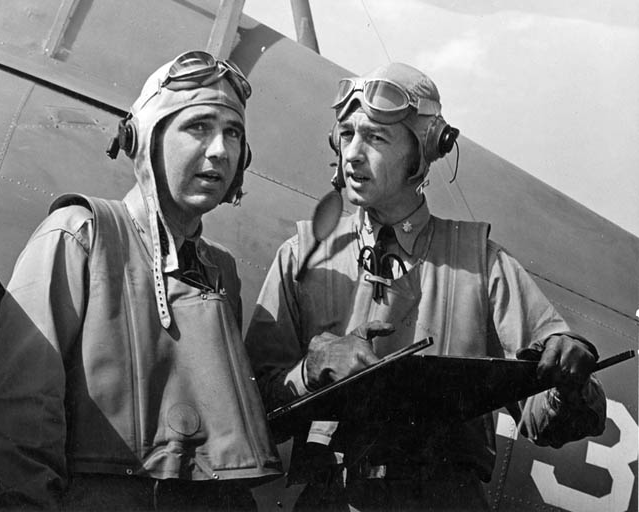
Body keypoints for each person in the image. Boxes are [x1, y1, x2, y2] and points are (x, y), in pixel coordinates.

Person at [245, 62, 606, 511]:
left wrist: (568, 381)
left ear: (422, 152)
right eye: (346, 134)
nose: (352, 153)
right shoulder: (301, 257)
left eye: (376, 137)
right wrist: (310, 368)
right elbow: (248, 411)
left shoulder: (482, 264)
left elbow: (543, 422)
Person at [0, 50, 281, 510]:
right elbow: (23, 412)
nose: (221, 150)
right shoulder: (81, 233)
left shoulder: (221, 270)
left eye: (233, 133)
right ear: (148, 139)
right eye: (198, 127)